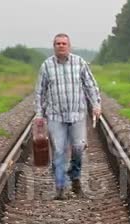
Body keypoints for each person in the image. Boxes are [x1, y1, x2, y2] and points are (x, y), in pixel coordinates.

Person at [34, 33, 102, 200]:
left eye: (64, 43)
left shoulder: (80, 63)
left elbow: (90, 85)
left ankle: (75, 177)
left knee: (78, 148)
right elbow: (40, 92)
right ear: (54, 46)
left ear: (69, 46)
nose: (61, 46)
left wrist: (96, 104)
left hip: (77, 114)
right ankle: (60, 187)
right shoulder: (46, 66)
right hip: (56, 115)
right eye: (58, 43)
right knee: (58, 150)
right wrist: (39, 114)